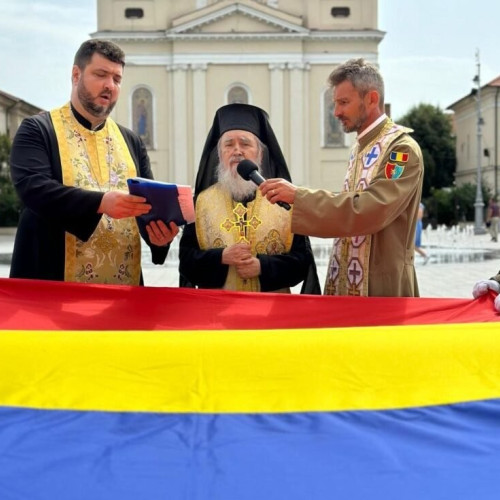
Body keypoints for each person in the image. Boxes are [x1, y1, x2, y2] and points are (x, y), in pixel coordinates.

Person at [9, 39, 178, 285]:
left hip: (122, 291)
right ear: (76, 75)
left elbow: (146, 207)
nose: (109, 85)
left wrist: (159, 238)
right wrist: (100, 202)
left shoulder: (130, 140)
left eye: (117, 79)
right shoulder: (38, 129)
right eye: (101, 74)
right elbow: (33, 188)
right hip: (53, 287)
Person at [260, 58, 424, 297]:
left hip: (381, 287)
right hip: (345, 280)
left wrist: (300, 197)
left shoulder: (400, 150)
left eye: (344, 102)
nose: (336, 112)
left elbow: (371, 209)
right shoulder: (360, 148)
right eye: (335, 103)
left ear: (372, 99)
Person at [178, 103, 320, 294]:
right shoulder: (202, 203)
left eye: (245, 144)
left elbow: (302, 262)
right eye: (228, 145)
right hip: (217, 314)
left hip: (272, 314)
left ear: (260, 154)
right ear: (220, 154)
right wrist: (221, 257)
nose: (237, 151)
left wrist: (263, 267)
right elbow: (186, 262)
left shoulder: (282, 200)